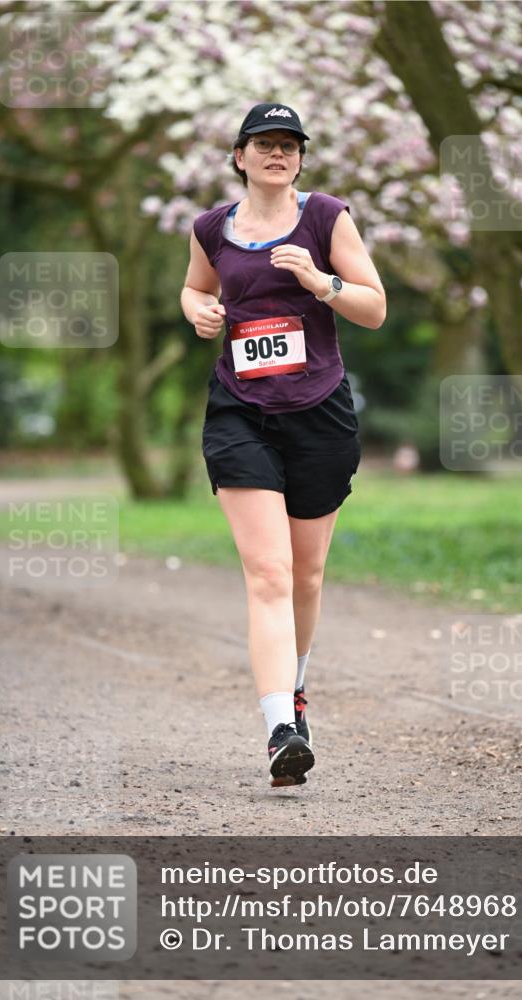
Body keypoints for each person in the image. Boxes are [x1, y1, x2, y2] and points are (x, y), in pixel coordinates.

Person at [180, 102, 386, 787]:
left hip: (318, 412)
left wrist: (319, 282)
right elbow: (193, 288)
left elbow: (373, 306)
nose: (277, 153)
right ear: (238, 156)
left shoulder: (327, 217)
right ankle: (279, 728)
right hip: (239, 411)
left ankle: (294, 688)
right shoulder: (212, 228)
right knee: (267, 574)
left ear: (300, 158)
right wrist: (200, 312)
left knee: (305, 575)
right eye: (263, 143)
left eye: (289, 145)